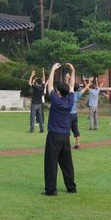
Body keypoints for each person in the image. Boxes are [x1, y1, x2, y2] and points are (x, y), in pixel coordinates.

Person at [42, 62, 77, 196]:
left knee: (51, 163)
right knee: (67, 163)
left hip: (54, 136)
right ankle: (71, 187)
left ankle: (51, 190)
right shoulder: (69, 101)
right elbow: (72, 86)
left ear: (59, 92)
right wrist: (73, 71)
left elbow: (49, 85)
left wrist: (52, 70)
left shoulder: (56, 101)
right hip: (65, 137)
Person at [69, 75, 89, 149]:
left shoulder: (69, 94)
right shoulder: (77, 94)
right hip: (75, 114)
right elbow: (85, 89)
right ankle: (78, 143)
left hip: (69, 114)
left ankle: (67, 144)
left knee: (67, 129)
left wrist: (67, 79)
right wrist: (89, 83)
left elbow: (68, 86)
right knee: (75, 129)